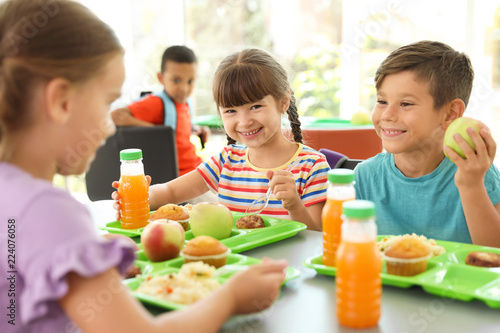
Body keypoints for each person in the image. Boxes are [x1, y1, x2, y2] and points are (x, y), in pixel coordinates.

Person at [0, 1, 287, 332]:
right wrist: (230, 297)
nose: (109, 126)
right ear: (61, 101)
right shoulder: (49, 212)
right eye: (107, 101)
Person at [113, 48, 330, 230]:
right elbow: (171, 191)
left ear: (283, 102)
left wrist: (294, 205)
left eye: (255, 106)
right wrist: (139, 197)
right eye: (231, 111)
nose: (244, 122)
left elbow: (316, 237)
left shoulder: (312, 166)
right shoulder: (227, 161)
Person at [354, 40, 500, 247]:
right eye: (382, 101)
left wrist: (471, 185)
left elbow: (495, 255)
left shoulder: (475, 173)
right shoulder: (365, 176)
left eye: (406, 104)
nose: (387, 115)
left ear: (450, 113)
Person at [110, 45, 210, 176]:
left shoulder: (185, 103)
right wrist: (157, 132)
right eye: (176, 80)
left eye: (190, 81)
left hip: (196, 168)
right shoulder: (156, 103)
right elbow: (115, 116)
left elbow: (179, 133)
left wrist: (197, 130)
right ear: (161, 78)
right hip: (180, 177)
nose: (184, 88)